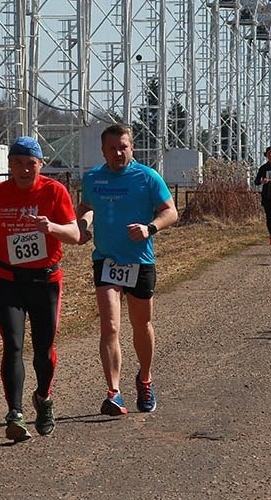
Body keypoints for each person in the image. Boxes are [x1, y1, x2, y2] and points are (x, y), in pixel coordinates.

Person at [0, 136, 80, 442]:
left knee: (43, 352)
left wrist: (52, 228)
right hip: (9, 280)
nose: (23, 170)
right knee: (13, 345)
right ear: (9, 166)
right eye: (17, 164)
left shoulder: (54, 191)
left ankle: (44, 399)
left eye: (30, 164)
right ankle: (15, 414)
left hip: (45, 281)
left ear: (40, 165)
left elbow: (74, 234)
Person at [76, 124, 178, 416]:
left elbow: (170, 211)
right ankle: (114, 392)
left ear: (131, 148)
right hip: (106, 260)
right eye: (112, 148)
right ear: (103, 151)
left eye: (123, 147)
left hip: (140, 261)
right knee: (109, 326)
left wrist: (150, 228)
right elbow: (84, 207)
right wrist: (83, 226)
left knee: (141, 325)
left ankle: (145, 379)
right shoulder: (93, 178)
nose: (118, 152)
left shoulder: (147, 177)